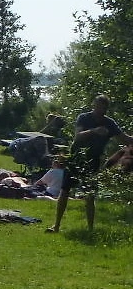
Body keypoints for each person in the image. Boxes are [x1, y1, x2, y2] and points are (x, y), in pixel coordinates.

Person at [47, 95, 133, 233]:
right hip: (77, 158)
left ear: (106, 108)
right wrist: (94, 131)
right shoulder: (84, 118)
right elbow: (78, 136)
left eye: (103, 108)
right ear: (94, 105)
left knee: (90, 194)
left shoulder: (109, 123)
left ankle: (90, 230)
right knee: (65, 190)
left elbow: (125, 139)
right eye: (98, 107)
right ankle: (56, 226)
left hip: (93, 160)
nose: (100, 110)